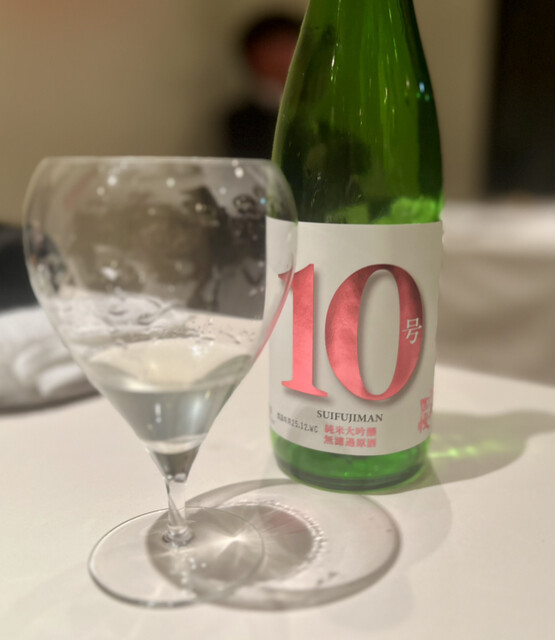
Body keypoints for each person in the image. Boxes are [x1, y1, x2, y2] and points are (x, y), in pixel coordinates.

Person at [225, 15, 301, 159]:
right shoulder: (241, 120)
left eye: (286, 47)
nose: (280, 57)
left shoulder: (324, 108)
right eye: (272, 48)